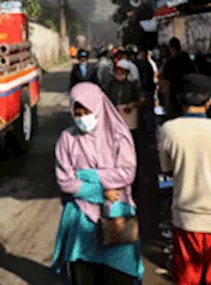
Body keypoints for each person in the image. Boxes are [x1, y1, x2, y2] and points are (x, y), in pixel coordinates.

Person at [52, 82, 144, 284]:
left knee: (120, 274)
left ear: (99, 107)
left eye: (87, 111)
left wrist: (86, 176)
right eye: (78, 113)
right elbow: (65, 182)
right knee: (84, 274)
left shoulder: (119, 136)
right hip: (81, 220)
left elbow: (127, 173)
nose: (83, 118)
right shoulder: (67, 139)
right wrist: (100, 191)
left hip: (117, 218)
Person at [158, 73, 211, 285]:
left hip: (186, 221)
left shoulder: (168, 130)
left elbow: (167, 172)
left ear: (180, 100)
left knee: (188, 279)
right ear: (208, 101)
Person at [105, 59, 146, 133]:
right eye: (117, 71)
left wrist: (132, 105)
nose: (119, 73)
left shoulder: (132, 85)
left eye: (122, 71)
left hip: (128, 118)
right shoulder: (110, 85)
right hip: (114, 116)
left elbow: (141, 100)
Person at [159, 38, 193, 118]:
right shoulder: (186, 58)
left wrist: (166, 99)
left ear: (170, 48)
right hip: (187, 94)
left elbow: (166, 81)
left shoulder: (170, 62)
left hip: (173, 95)